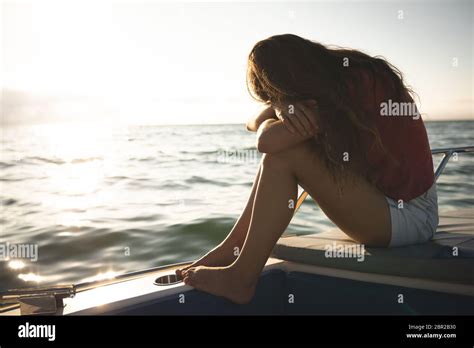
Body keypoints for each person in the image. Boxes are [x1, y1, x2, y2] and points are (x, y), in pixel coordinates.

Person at [176, 34, 438, 304]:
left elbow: (266, 141)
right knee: (281, 154)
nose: (277, 99)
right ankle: (232, 249)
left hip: (410, 218)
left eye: (275, 92)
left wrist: (279, 110)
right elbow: (253, 122)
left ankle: (242, 277)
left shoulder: (347, 89)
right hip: (384, 205)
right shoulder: (339, 77)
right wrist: (279, 106)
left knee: (284, 155)